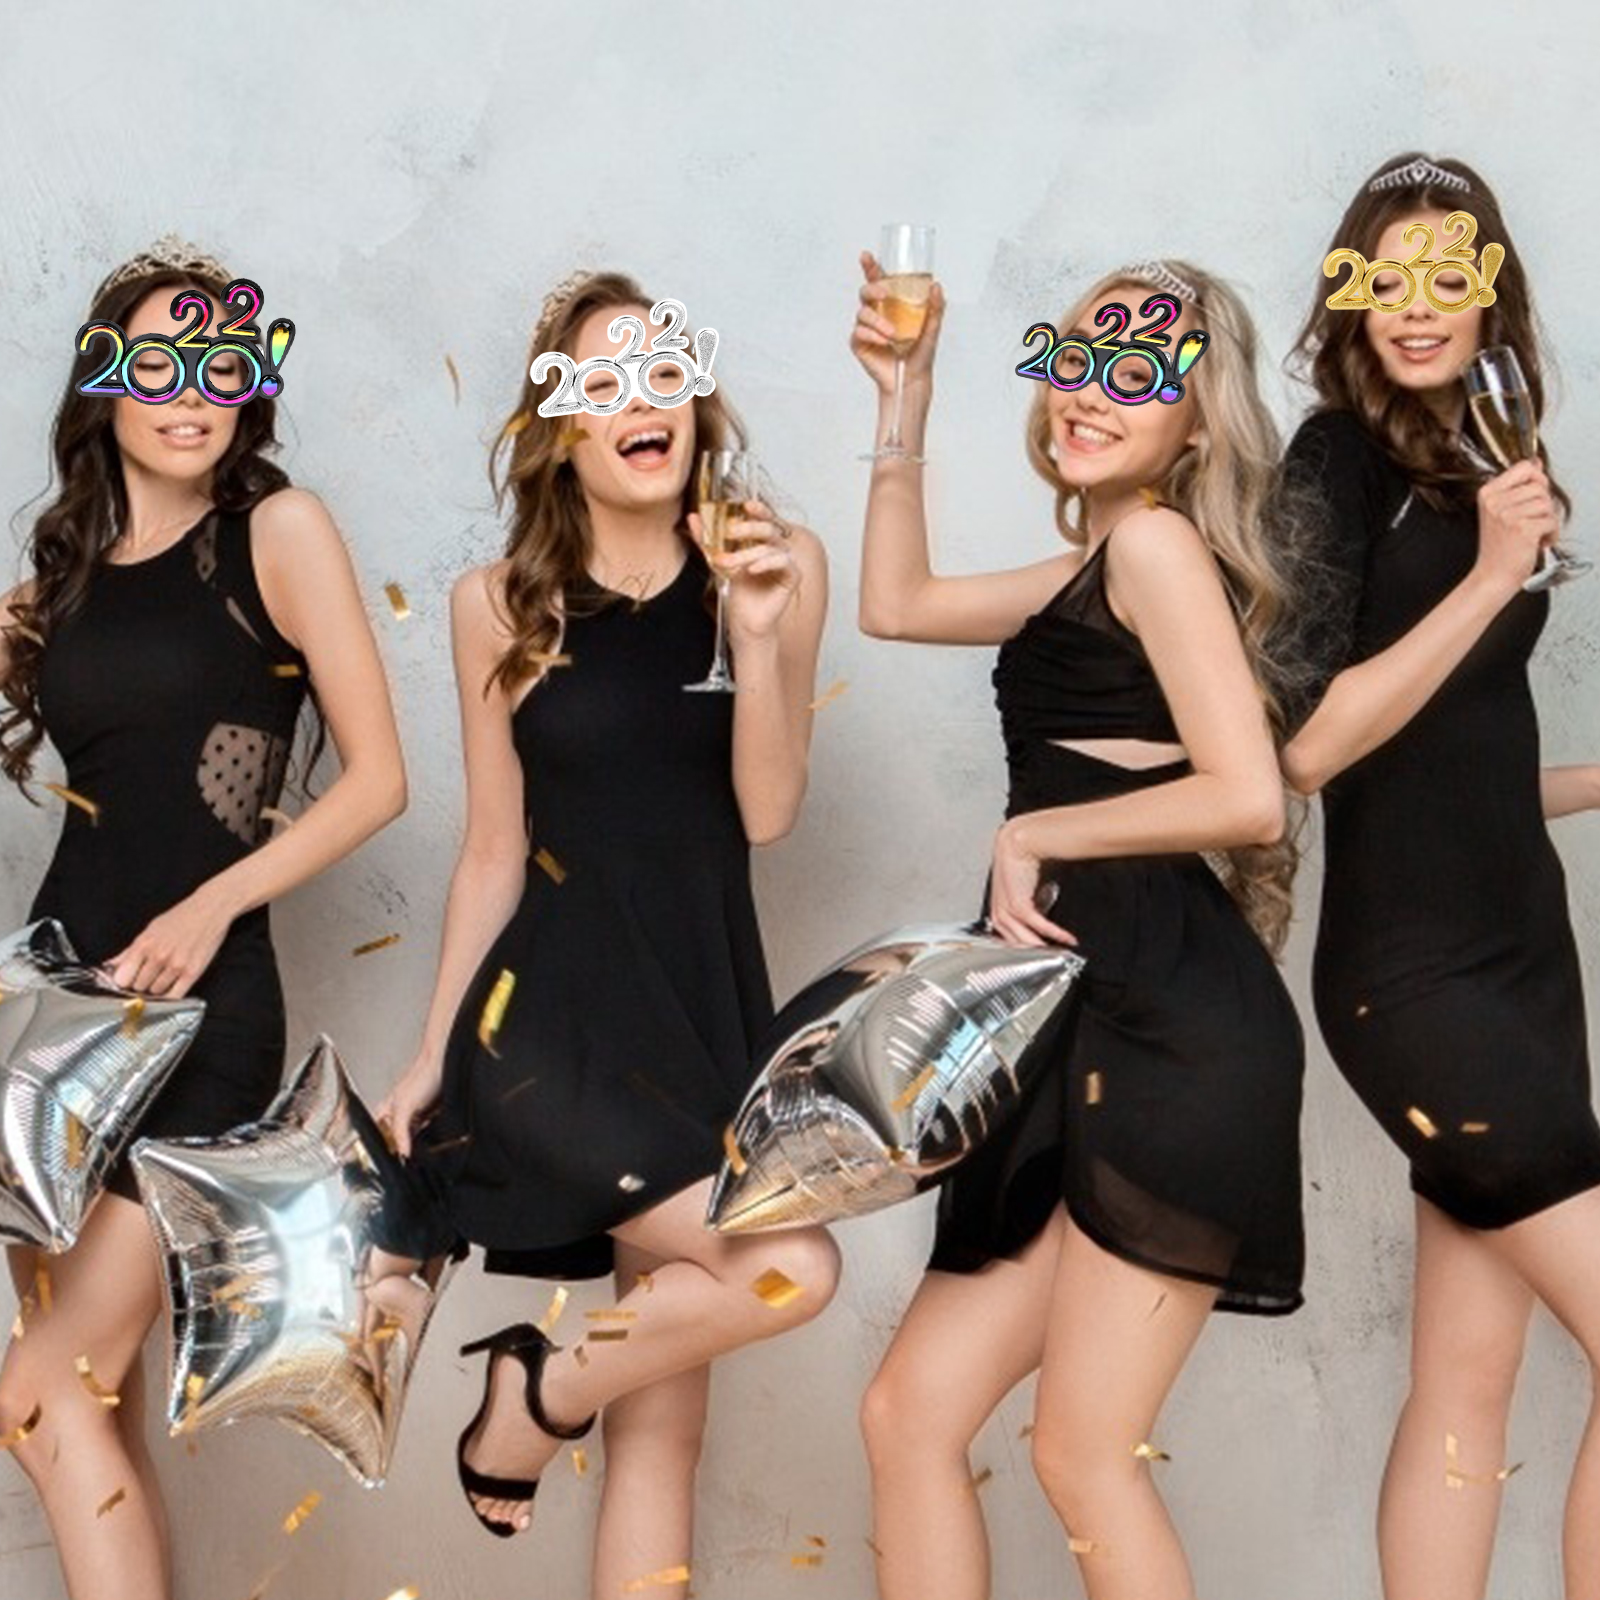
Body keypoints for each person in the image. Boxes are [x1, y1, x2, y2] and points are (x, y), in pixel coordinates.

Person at [851, 255, 1308, 1600]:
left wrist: (1038, 831)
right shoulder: (1089, 568)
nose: (1093, 390)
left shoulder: (1158, 548)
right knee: (909, 1415)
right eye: (1077, 356)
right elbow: (894, 605)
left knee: (1083, 1453)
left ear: (1199, 423)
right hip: (1071, 1021)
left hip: (1168, 1028)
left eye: (1141, 370)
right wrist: (905, 394)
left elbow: (1250, 797)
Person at [378, 272, 839, 1596]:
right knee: (789, 1269)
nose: (645, 400)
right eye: (606, 380)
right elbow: (491, 850)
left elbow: (766, 813)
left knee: (663, 1430)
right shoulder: (496, 604)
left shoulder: (777, 565)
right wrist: (431, 1056)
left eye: (665, 373)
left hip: (699, 1015)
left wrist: (757, 637)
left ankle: (544, 1394)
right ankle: (531, 1393)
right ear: (562, 427)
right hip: (548, 1027)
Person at [0, 236, 407, 1600]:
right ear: (101, 385)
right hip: (60, 1028)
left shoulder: (276, 533)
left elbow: (381, 779)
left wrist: (212, 904)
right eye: (158, 363)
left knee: (44, 1391)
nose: (192, 392)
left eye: (222, 364)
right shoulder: (65, 577)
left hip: (200, 1005)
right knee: (86, 1407)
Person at [1284, 152, 1600, 1600]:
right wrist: (1485, 577)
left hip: (1525, 958)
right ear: (1352, 297)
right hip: (1413, 979)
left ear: (1492, 300)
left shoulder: (1487, 463)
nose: (1416, 307)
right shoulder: (1333, 462)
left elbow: (1456, 764)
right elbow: (1309, 750)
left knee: (1470, 1378)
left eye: (1447, 277)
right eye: (1386, 277)